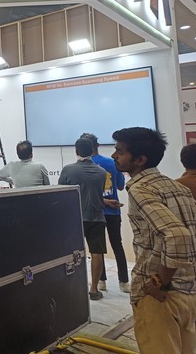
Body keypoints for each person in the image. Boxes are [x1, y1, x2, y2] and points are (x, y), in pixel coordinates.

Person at [111, 127, 196, 353]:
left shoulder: (141, 189)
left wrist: (160, 282)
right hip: (188, 291)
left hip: (159, 297)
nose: (114, 155)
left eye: (120, 152)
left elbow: (178, 235)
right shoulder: (177, 187)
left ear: (140, 160)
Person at [80, 133, 130, 293]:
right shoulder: (111, 162)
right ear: (97, 145)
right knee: (117, 245)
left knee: (97, 248)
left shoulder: (80, 167)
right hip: (113, 211)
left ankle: (101, 281)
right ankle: (124, 282)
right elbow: (121, 186)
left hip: (94, 212)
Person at [59, 137, 107, 301]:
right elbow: (99, 193)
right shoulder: (102, 172)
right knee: (97, 253)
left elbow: (61, 193)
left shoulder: (68, 170)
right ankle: (94, 289)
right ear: (92, 150)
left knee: (71, 255)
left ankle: (73, 287)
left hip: (74, 218)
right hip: (97, 217)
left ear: (76, 150)